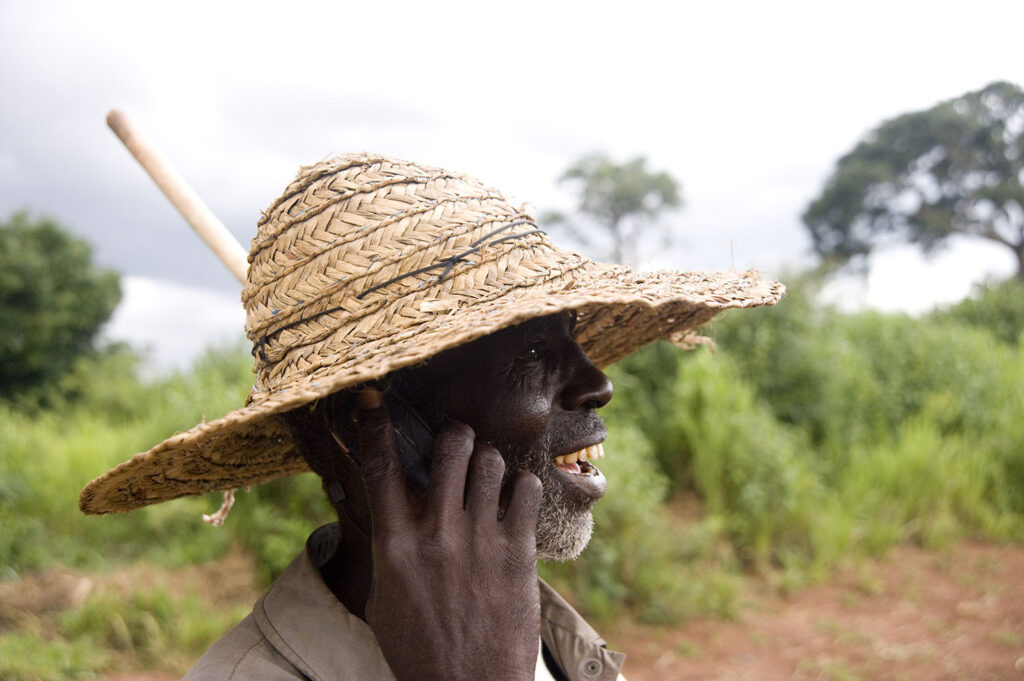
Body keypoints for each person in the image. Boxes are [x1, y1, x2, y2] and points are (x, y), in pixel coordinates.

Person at [80, 154, 782, 680]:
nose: (598, 383)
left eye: (574, 338)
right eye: (535, 350)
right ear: (354, 432)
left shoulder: (542, 637)